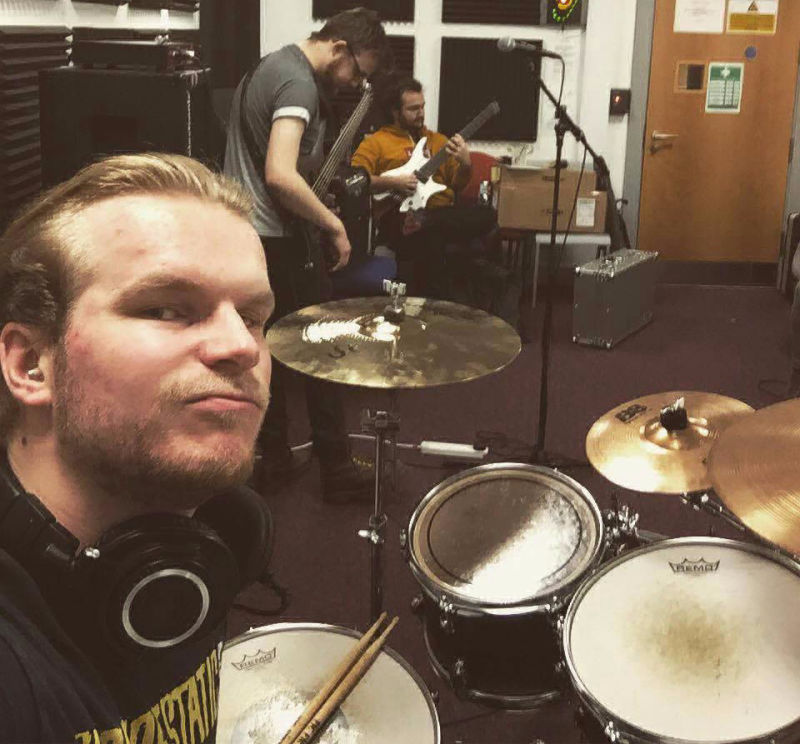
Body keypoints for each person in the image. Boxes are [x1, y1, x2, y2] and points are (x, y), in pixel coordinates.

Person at [0, 153, 275, 743]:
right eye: (166, 309)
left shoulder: (189, 547)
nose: (242, 346)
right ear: (31, 364)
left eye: (253, 316)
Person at [224, 8, 390, 500]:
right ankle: (337, 470)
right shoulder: (298, 84)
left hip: (247, 235)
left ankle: (273, 458)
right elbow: (280, 174)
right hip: (280, 239)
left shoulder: (267, 67)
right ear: (338, 48)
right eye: (356, 72)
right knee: (321, 347)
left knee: (267, 349)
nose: (354, 84)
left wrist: (315, 197)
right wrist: (332, 223)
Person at [351, 76, 498, 299]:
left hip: (439, 215)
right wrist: (394, 182)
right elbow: (355, 180)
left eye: (422, 107)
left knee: (487, 215)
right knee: (431, 240)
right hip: (399, 217)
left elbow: (457, 185)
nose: (421, 113)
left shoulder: (438, 141)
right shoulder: (376, 143)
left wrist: (466, 163)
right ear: (395, 111)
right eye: (413, 109)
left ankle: (426, 224)